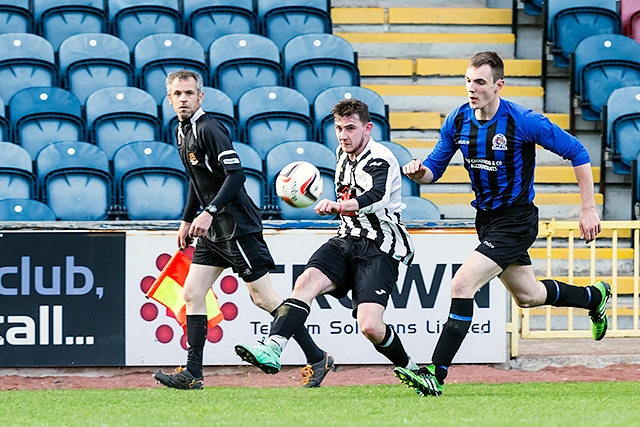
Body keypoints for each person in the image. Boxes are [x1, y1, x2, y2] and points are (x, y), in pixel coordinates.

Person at [396, 51, 611, 397]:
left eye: (479, 82)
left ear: (498, 85)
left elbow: (578, 152)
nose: (471, 88)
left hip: (517, 219)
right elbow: (434, 170)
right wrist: (420, 172)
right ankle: (592, 297)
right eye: (467, 81)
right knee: (528, 295)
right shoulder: (457, 120)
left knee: (462, 283)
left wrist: (588, 208)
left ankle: (435, 374)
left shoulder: (524, 121)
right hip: (487, 220)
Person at [153, 70, 334, 390]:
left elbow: (236, 175)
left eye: (189, 93)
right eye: (177, 94)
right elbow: (199, 180)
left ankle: (316, 356)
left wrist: (208, 212)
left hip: (236, 226)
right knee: (192, 293)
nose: (183, 98)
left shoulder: (209, 128)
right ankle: (193, 373)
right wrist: (186, 219)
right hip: (213, 230)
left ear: (200, 97)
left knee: (263, 298)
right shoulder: (181, 131)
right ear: (169, 99)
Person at [234, 98, 419, 379]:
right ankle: (273, 347)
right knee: (305, 282)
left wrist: (339, 206)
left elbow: (377, 196)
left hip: (379, 246)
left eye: (350, 128)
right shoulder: (342, 153)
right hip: (346, 238)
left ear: (368, 128)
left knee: (370, 326)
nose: (344, 135)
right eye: (339, 128)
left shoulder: (380, 158)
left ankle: (410, 367)